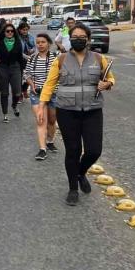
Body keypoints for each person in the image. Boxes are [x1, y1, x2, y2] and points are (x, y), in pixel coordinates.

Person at [39, 23, 115, 206]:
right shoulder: (61, 60)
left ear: (88, 40)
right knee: (73, 151)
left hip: (92, 110)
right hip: (67, 111)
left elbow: (110, 78)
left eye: (82, 37)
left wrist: (108, 84)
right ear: (70, 39)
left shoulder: (99, 58)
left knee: (94, 150)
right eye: (75, 37)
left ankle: (81, 173)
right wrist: (42, 105)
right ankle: (73, 188)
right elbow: (50, 84)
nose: (78, 39)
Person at [24, 33, 58, 161]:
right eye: (38, 42)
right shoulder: (32, 58)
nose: (40, 44)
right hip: (37, 94)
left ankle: (50, 141)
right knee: (41, 120)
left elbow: (63, 74)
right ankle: (42, 149)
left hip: (53, 94)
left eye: (43, 42)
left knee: (52, 120)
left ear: (48, 43)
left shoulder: (57, 58)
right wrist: (31, 84)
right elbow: (26, 74)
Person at [0, 23, 25, 123]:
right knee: (4, 92)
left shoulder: (18, 42)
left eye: (12, 31)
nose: (10, 32)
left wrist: (22, 70)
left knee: (17, 92)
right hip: (2, 68)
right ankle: (5, 114)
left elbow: (20, 58)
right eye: (8, 31)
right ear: (4, 32)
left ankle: (14, 105)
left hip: (15, 68)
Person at [17, 21, 36, 100]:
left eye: (26, 29)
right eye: (23, 29)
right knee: (19, 77)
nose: (25, 31)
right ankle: (20, 93)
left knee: (28, 76)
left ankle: (25, 90)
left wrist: (32, 50)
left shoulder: (31, 37)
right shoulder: (16, 37)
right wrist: (26, 57)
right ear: (20, 30)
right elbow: (17, 51)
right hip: (19, 59)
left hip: (29, 58)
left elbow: (35, 46)